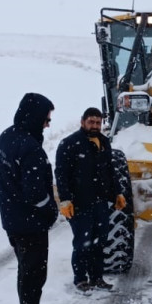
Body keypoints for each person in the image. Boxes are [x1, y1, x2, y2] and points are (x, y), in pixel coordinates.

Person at [0, 92, 62, 304]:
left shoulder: (7, 137)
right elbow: (35, 192)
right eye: (46, 119)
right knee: (34, 273)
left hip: (13, 218)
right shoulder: (30, 147)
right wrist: (50, 210)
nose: (47, 124)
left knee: (27, 270)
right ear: (34, 117)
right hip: (29, 222)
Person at [55, 108, 128, 292]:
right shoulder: (70, 144)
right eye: (91, 122)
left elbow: (109, 171)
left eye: (98, 122)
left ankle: (97, 277)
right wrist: (65, 200)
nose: (95, 126)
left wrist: (117, 193)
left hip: (100, 202)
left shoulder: (103, 142)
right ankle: (80, 279)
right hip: (79, 204)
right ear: (82, 122)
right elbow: (61, 175)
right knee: (82, 243)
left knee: (99, 241)